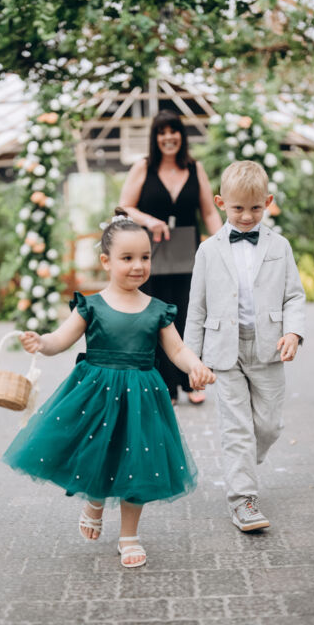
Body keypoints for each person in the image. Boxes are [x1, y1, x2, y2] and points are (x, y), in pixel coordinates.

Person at [2, 213, 215, 567]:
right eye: (127, 258)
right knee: (98, 452)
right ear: (106, 261)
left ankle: (129, 535)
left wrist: (195, 365)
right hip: (96, 396)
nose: (138, 266)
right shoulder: (92, 305)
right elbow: (61, 339)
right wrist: (42, 342)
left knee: (138, 463)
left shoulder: (157, 310)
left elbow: (177, 349)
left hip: (142, 398)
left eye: (144, 257)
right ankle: (95, 500)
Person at [184, 161, 305, 532]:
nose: (247, 216)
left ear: (268, 202)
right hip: (224, 351)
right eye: (238, 208)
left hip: (269, 348)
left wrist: (293, 333)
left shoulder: (280, 247)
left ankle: (244, 463)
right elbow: (196, 308)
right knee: (236, 429)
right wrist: (191, 361)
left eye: (255, 207)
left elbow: (294, 296)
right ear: (221, 203)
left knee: (269, 426)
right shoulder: (208, 251)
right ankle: (243, 500)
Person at [119, 110, 222, 405]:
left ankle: (192, 381)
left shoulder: (195, 167)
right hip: (152, 257)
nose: (168, 137)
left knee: (190, 314)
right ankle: (165, 386)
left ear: (181, 135)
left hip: (190, 256)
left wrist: (223, 244)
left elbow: (209, 212)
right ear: (155, 137)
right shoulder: (143, 167)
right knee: (157, 317)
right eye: (161, 132)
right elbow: (124, 207)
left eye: (173, 131)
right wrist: (150, 221)